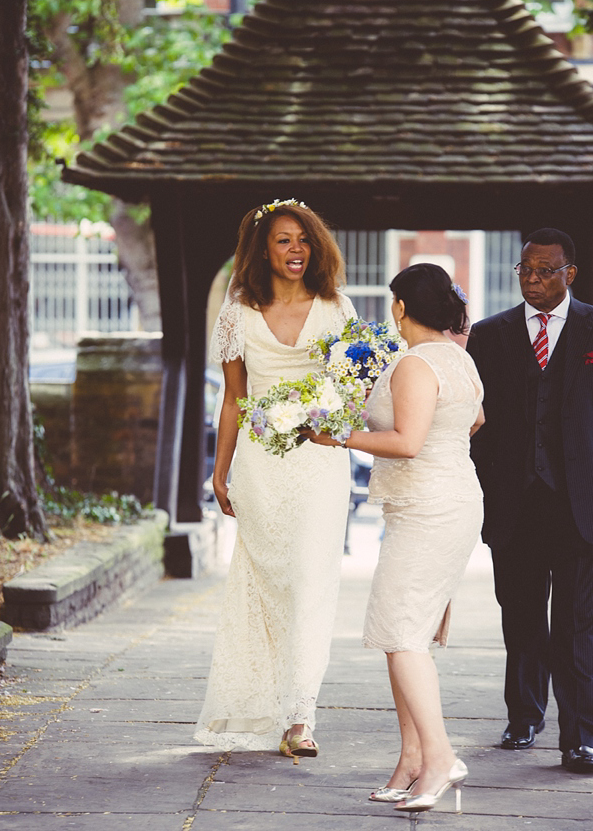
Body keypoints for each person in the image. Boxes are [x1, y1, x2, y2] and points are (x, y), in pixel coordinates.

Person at [308, 263, 485, 814]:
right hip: (447, 500)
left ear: (402, 309)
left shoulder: (414, 362)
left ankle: (439, 758)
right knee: (400, 631)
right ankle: (411, 759)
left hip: (429, 507)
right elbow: (474, 419)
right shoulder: (459, 357)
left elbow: (407, 442)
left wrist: (338, 437)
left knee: (404, 634)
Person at [194, 198, 356, 759]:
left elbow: (352, 391)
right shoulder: (237, 313)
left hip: (320, 461)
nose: (296, 250)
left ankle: (299, 717)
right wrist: (219, 472)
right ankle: (262, 700)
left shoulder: (337, 309)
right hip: (261, 465)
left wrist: (331, 417)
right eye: (284, 240)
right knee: (270, 584)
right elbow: (234, 399)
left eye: (304, 240)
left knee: (311, 581)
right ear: (263, 249)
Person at [467, 227, 593, 774]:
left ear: (570, 273)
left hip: (579, 506)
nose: (534, 280)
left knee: (575, 624)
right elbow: (474, 424)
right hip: (514, 504)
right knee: (519, 616)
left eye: (546, 270)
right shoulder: (490, 335)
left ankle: (580, 735)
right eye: (526, 271)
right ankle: (524, 717)